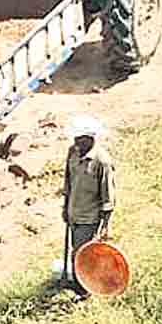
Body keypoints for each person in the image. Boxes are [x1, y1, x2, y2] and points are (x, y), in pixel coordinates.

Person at [61, 114, 117, 296]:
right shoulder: (73, 152)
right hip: (73, 213)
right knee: (75, 252)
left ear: (90, 139)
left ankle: (84, 291)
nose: (76, 143)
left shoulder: (102, 161)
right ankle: (81, 284)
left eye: (80, 139)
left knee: (82, 255)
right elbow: (68, 181)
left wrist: (105, 225)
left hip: (89, 219)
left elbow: (108, 199)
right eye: (75, 139)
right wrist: (65, 207)